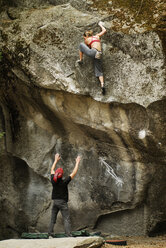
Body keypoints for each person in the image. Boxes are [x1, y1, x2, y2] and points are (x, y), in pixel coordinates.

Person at [48, 153, 81, 237]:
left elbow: (51, 169)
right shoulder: (64, 182)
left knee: (53, 218)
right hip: (62, 203)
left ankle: (50, 233)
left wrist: (55, 160)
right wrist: (77, 162)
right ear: (62, 175)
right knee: (66, 219)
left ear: (55, 174)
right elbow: (74, 172)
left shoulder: (53, 180)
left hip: (55, 202)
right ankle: (68, 234)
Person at [77, 21, 106, 95]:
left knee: (80, 45)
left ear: (86, 36)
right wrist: (100, 25)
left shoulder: (87, 40)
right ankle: (102, 85)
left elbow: (87, 47)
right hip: (99, 54)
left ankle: (80, 60)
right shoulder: (97, 36)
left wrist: (86, 42)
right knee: (99, 71)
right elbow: (104, 30)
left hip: (93, 52)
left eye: (84, 37)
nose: (84, 39)